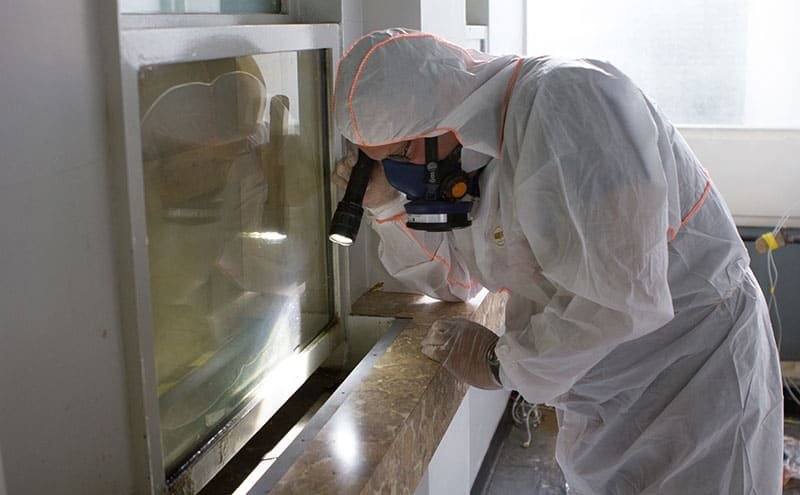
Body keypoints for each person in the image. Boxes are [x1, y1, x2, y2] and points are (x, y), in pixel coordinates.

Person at [332, 28, 783, 494]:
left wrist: (500, 364)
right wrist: (387, 208)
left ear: (440, 112)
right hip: (607, 394)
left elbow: (620, 296)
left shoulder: (573, 103)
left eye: (403, 153)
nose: (402, 172)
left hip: (696, 377)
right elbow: (456, 281)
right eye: (384, 162)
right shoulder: (472, 155)